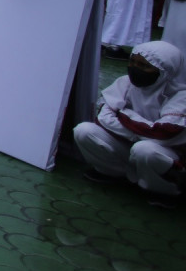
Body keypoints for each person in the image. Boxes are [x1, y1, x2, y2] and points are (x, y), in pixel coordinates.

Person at [73, 42, 186, 208]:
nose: (135, 68)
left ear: (164, 70)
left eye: (144, 66)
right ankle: (115, 172)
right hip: (132, 144)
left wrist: (123, 113)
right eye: (132, 62)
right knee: (83, 131)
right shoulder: (125, 83)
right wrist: (139, 132)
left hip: (165, 151)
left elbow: (164, 131)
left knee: (144, 150)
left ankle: (164, 189)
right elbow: (103, 117)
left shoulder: (180, 95)